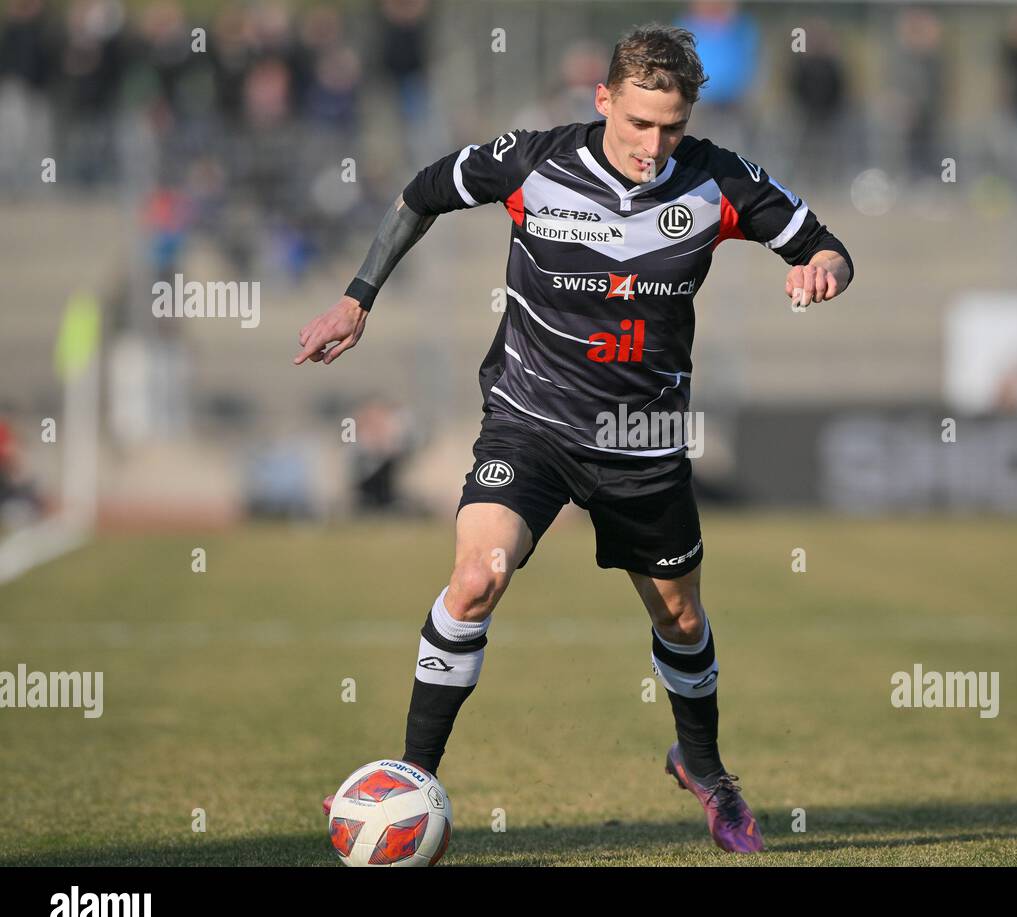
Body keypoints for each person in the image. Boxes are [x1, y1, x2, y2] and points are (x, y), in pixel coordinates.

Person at [295, 23, 853, 854]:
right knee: (478, 575)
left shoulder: (719, 180)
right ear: (604, 101)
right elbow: (421, 192)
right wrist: (357, 296)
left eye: (672, 127)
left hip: (646, 434)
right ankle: (413, 779)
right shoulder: (534, 161)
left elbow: (827, 246)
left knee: (682, 620)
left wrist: (820, 270)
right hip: (530, 420)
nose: (653, 144)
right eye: (638, 123)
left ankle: (703, 767)